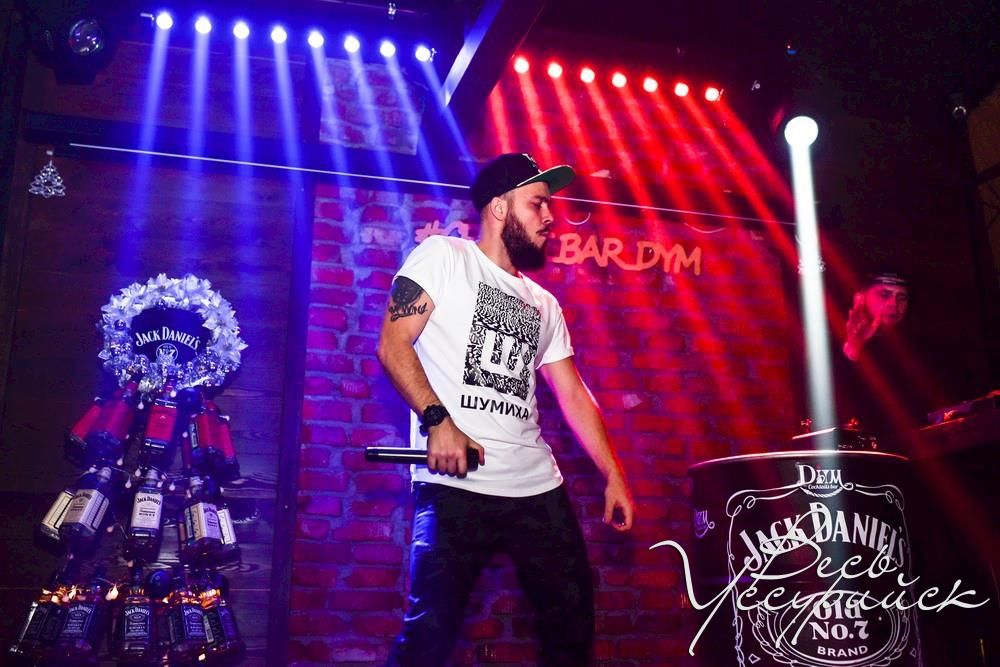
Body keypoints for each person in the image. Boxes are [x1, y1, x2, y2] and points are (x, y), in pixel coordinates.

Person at [376, 152, 635, 666]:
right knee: (428, 636)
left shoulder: (544, 304)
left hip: (536, 487)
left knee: (572, 630)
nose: (550, 217)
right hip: (457, 485)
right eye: (538, 204)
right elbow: (392, 343)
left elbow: (573, 393)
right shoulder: (444, 257)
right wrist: (438, 422)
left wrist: (614, 473)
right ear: (499, 208)